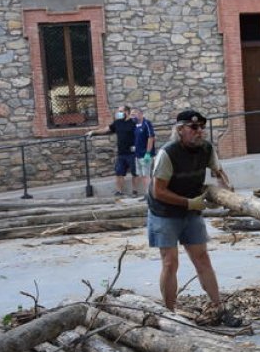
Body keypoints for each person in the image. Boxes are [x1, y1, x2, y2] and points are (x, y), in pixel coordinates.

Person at [147, 109, 239, 325]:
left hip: (191, 210)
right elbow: (157, 191)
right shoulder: (167, 154)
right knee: (170, 262)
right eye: (194, 127)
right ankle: (169, 314)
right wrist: (188, 202)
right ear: (180, 130)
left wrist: (226, 190)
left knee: (202, 258)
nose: (200, 132)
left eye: (202, 127)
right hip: (164, 212)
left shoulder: (206, 149)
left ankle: (220, 308)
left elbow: (218, 171)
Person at [87, 104, 137, 197]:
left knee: (135, 173)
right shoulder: (117, 123)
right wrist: (93, 132)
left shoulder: (134, 123)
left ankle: (134, 191)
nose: (118, 113)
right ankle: (119, 192)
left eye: (120, 111)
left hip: (133, 153)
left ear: (127, 112)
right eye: (118, 111)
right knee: (119, 173)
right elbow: (106, 129)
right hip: (121, 153)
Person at [131, 107, 156, 197]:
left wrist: (148, 153)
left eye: (134, 114)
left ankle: (150, 195)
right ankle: (147, 194)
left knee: (146, 175)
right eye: (131, 114)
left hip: (145, 154)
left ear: (140, 114)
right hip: (137, 155)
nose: (132, 116)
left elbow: (151, 138)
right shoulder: (136, 126)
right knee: (142, 176)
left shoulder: (146, 124)